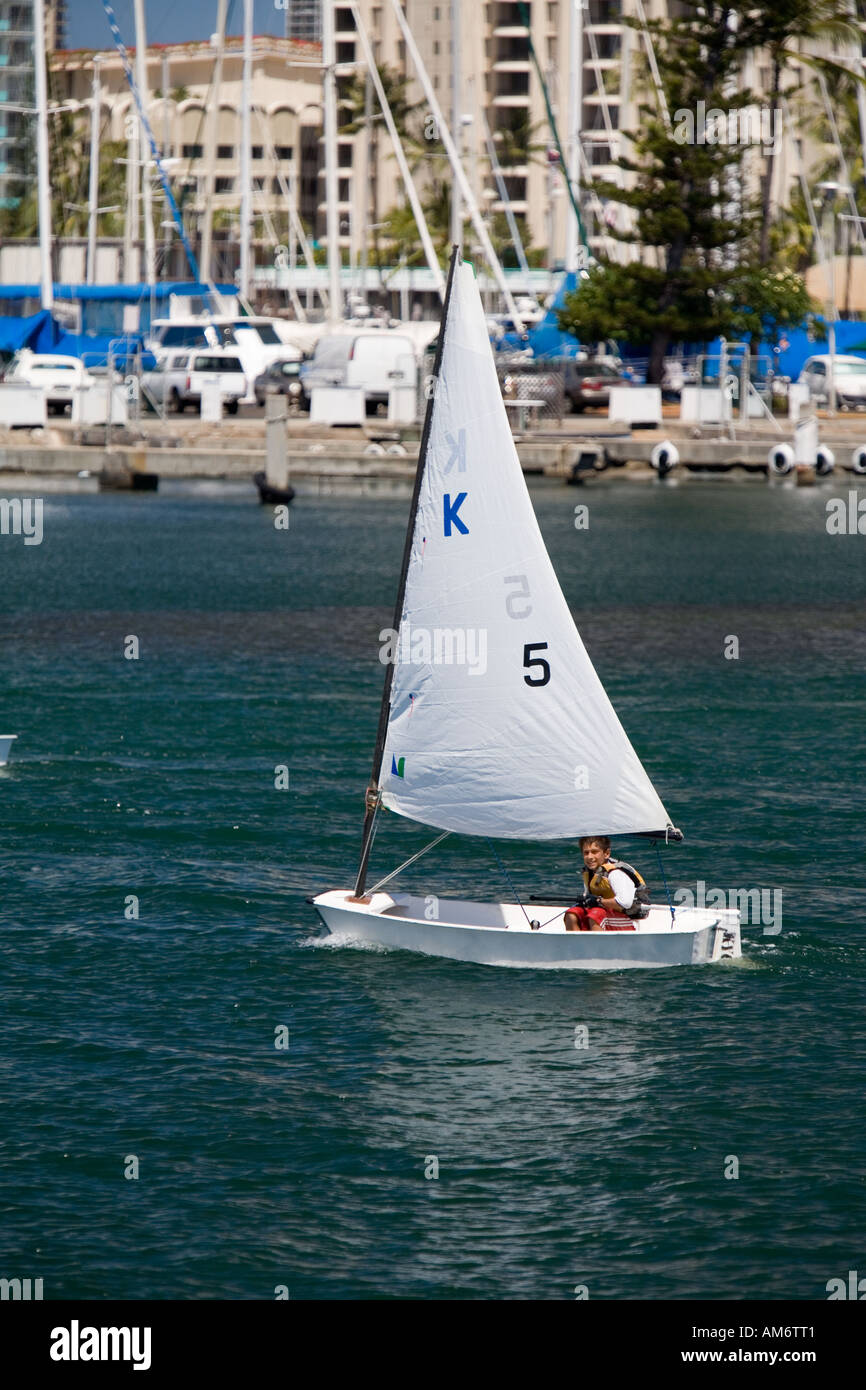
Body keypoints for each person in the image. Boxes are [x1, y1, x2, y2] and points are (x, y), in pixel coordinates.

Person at [564, 836, 649, 932]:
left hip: (628, 919)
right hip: (607, 914)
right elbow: (589, 897)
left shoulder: (615, 873)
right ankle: (577, 945)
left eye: (594, 852)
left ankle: (598, 946)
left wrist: (599, 901)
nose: (590, 857)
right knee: (572, 914)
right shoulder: (590, 872)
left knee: (595, 915)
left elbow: (625, 903)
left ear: (606, 853)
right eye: (586, 853)